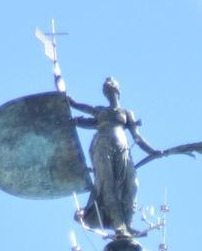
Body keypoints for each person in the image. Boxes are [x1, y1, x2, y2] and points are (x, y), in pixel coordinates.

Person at [68, 78, 159, 236]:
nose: (109, 93)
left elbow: (137, 137)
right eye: (107, 91)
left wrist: (152, 151)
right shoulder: (100, 111)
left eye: (112, 89)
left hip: (123, 150)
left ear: (118, 91)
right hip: (102, 148)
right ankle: (119, 225)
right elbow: (77, 106)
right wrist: (67, 100)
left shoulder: (127, 113)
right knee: (107, 185)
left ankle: (128, 223)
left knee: (133, 185)